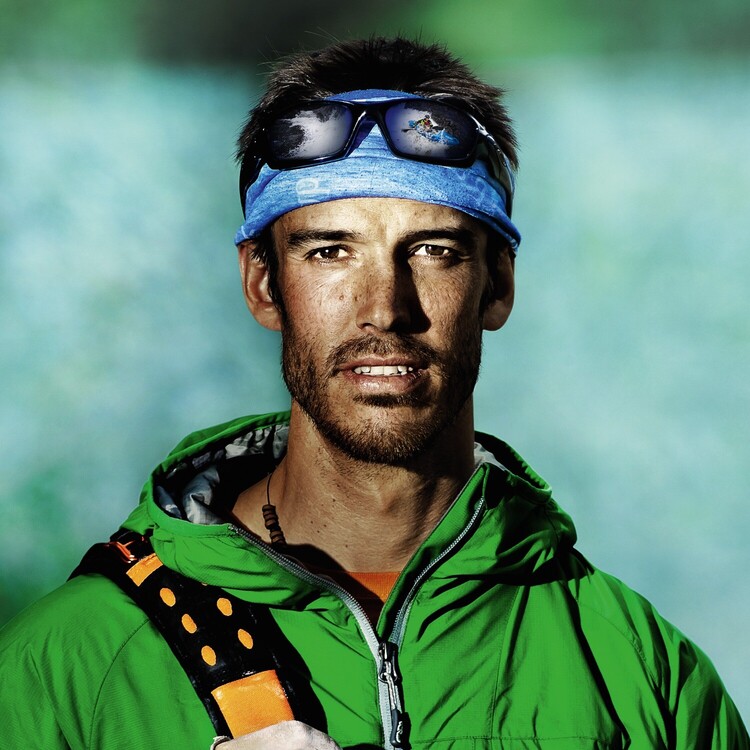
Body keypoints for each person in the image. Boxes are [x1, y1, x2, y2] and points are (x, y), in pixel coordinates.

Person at [0, 36, 747, 750]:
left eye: (434, 251)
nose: (384, 308)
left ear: (498, 285)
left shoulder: (644, 673)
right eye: (330, 251)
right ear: (263, 284)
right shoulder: (69, 666)